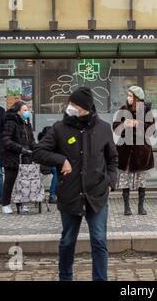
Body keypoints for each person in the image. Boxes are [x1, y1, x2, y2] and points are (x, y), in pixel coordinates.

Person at [33, 87, 118, 281]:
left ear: (85, 108)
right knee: (67, 241)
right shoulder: (59, 128)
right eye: (70, 103)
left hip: (96, 195)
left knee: (99, 240)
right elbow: (37, 152)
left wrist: (110, 182)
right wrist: (61, 159)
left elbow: (113, 159)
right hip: (70, 196)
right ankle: (65, 277)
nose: (70, 107)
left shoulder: (104, 128)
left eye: (75, 105)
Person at [112, 86, 155, 216]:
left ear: (137, 98)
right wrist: (124, 125)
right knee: (125, 180)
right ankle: (126, 207)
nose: (128, 98)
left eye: (131, 96)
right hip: (125, 150)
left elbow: (152, 130)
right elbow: (115, 127)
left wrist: (137, 124)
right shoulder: (123, 109)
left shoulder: (146, 111)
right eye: (128, 95)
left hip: (141, 150)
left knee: (141, 180)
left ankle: (141, 207)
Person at [1, 101, 35, 214]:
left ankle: (21, 204)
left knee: (22, 182)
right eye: (24, 110)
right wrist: (20, 148)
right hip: (12, 157)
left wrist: (36, 148)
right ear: (18, 111)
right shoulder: (10, 122)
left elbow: (31, 139)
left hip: (25, 157)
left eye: (27, 109)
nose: (27, 112)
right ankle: (5, 204)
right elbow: (6, 140)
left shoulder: (26, 122)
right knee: (10, 181)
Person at [37, 126, 58, 204]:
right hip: (44, 165)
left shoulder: (51, 142)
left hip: (49, 164)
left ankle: (57, 194)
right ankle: (52, 195)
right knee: (57, 171)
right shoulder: (44, 143)